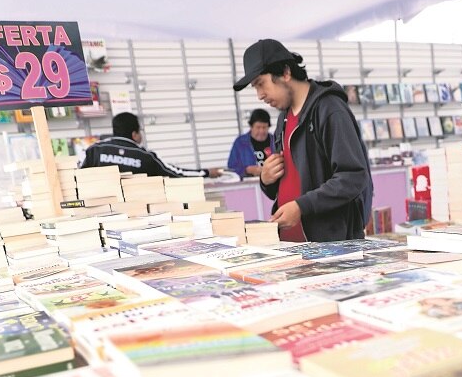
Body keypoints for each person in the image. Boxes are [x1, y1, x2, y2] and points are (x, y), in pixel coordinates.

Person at [234, 39, 373, 242]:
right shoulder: (284, 117)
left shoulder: (330, 110)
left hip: (331, 249)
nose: (260, 95)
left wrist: (302, 206)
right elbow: (289, 181)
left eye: (261, 84)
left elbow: (353, 176)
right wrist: (266, 179)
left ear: (285, 72)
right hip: (291, 247)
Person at [80, 112, 222, 178]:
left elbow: (78, 175)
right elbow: (175, 173)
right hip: (138, 215)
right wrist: (207, 172)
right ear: (134, 134)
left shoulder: (95, 150)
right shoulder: (144, 156)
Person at [227, 108, 275, 178]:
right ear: (251, 126)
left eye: (264, 127)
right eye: (258, 127)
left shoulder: (276, 141)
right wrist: (247, 170)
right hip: (250, 185)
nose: (261, 131)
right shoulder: (240, 143)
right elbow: (231, 167)